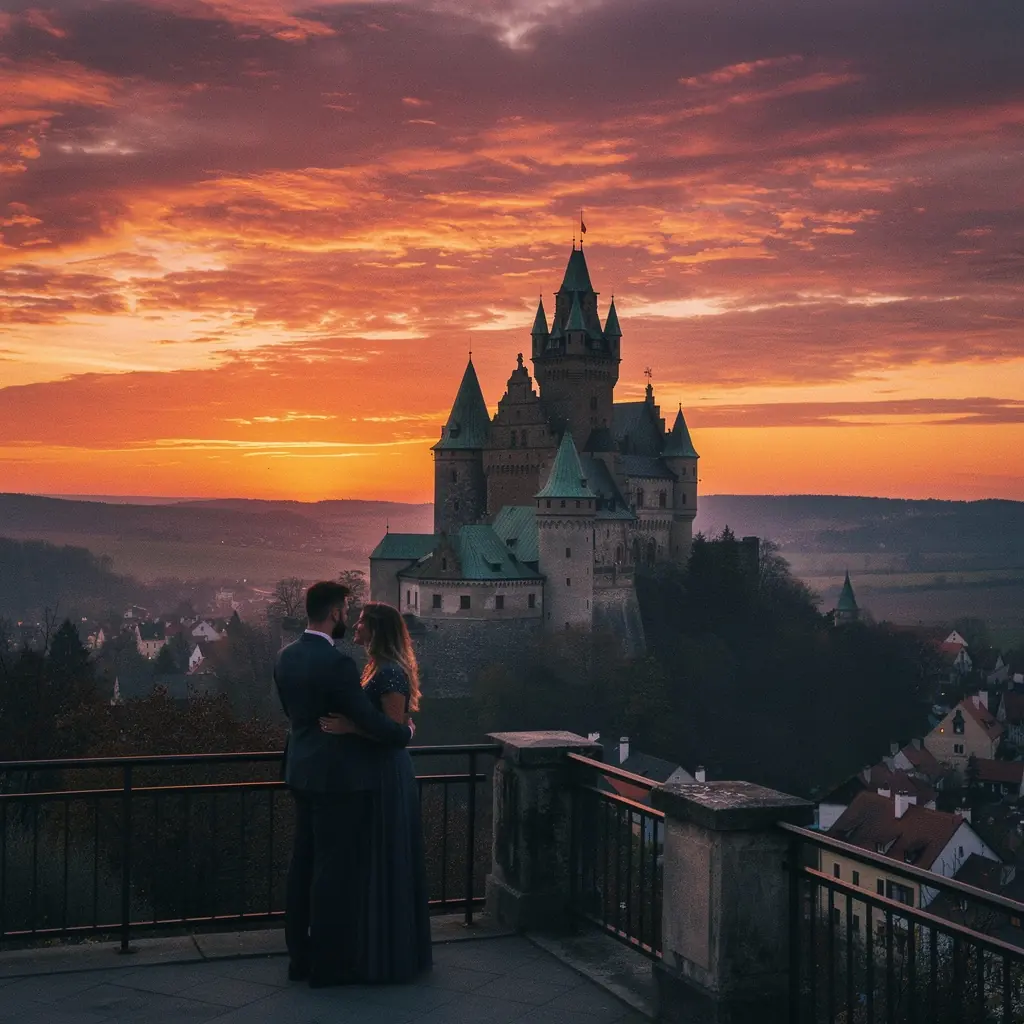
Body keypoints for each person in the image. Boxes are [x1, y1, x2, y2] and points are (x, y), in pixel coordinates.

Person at [274, 581, 413, 988]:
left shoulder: (285, 657)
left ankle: (299, 957)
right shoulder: (338, 665)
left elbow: (295, 714)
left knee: (302, 866)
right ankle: (330, 965)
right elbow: (371, 723)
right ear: (334, 612)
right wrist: (403, 734)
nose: (348, 619)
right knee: (333, 875)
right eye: (346, 611)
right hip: (337, 780)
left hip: (300, 771)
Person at [319, 601, 432, 983]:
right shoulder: (380, 670)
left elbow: (397, 734)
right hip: (375, 773)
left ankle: (386, 955)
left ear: (377, 630)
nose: (356, 629)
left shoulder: (390, 675)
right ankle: (378, 950)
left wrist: (351, 729)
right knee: (377, 860)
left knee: (382, 859)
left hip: (386, 774)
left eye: (363, 624)